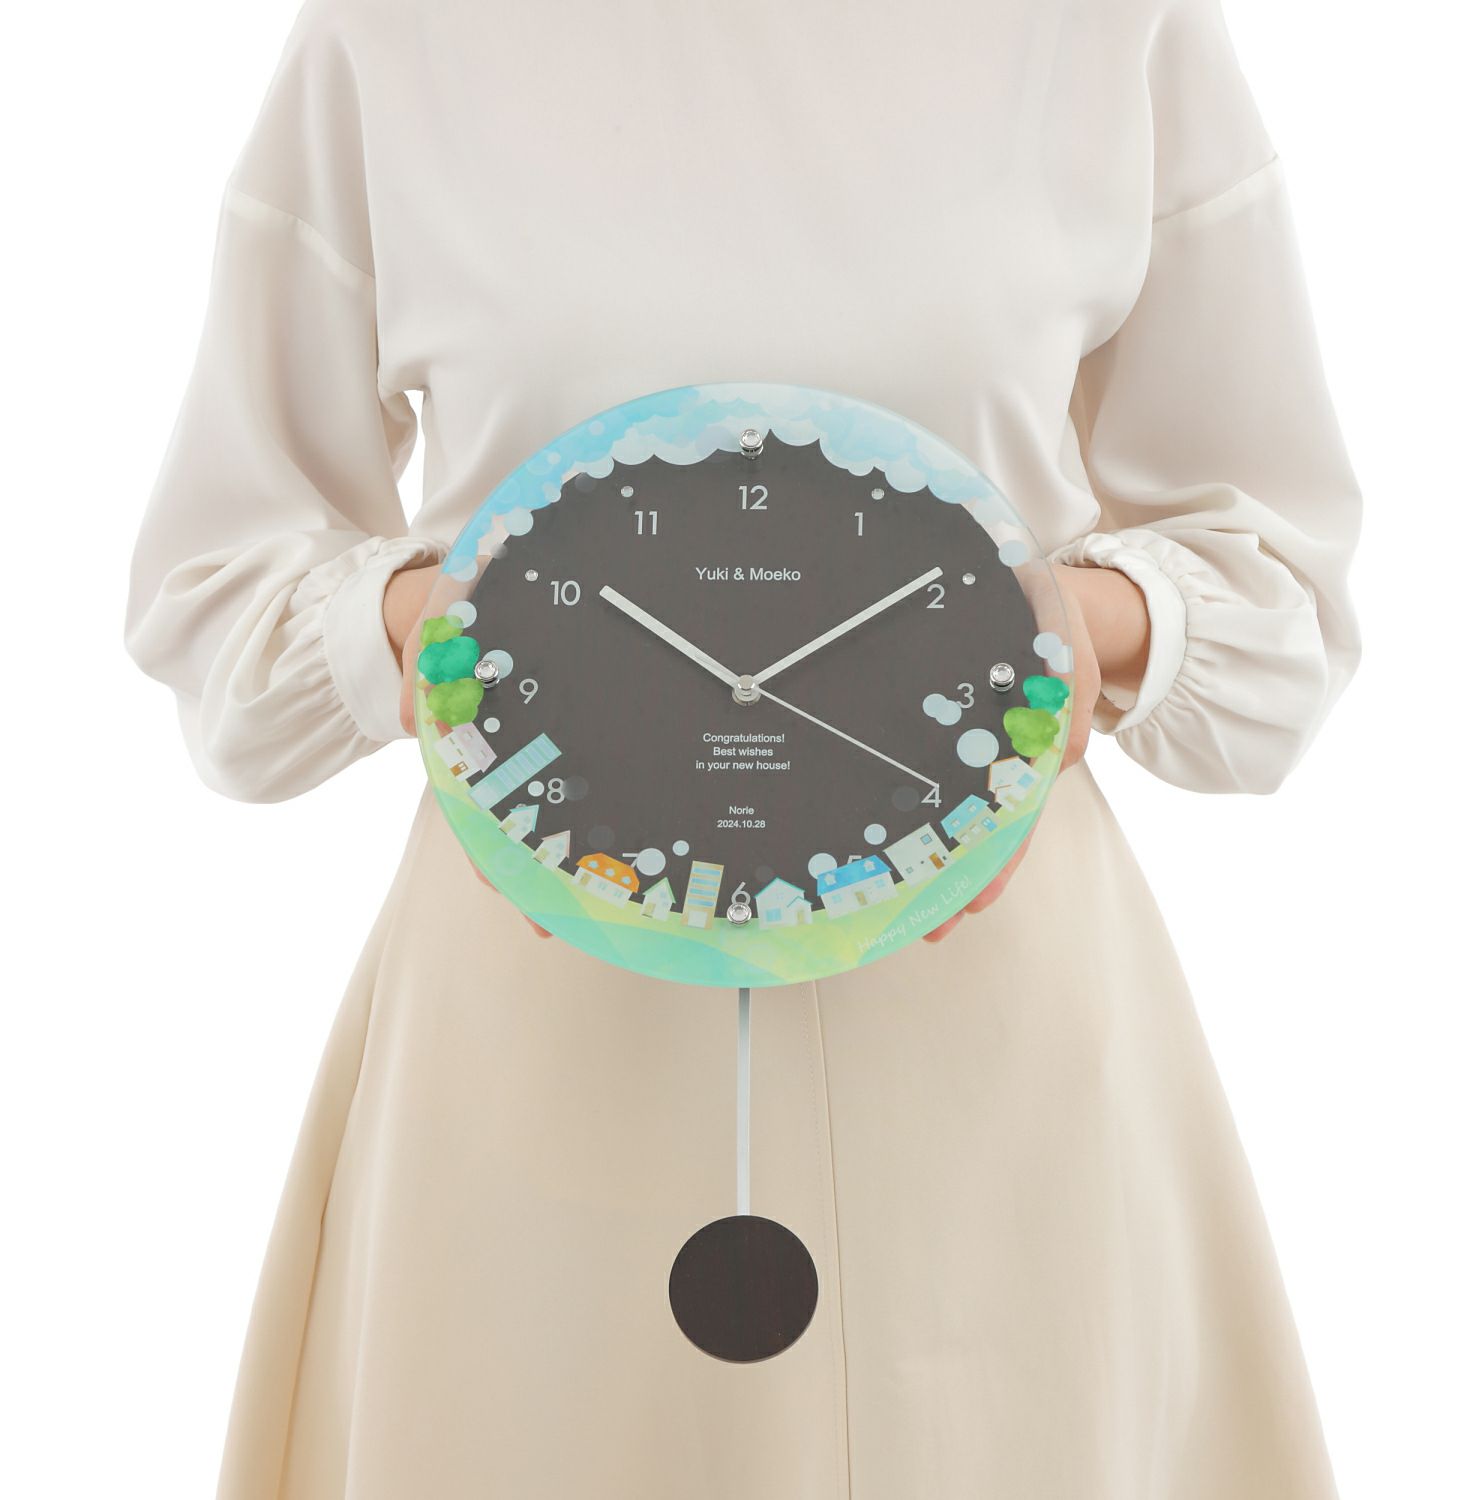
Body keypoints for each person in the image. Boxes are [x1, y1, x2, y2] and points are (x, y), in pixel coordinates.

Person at [125, 0, 1361, 1494]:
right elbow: (217, 592)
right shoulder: (395, 35)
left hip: (983, 1024)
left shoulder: (1110, 27)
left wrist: (1066, 625)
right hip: (537, 1019)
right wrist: (432, 623)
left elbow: (1279, 596)